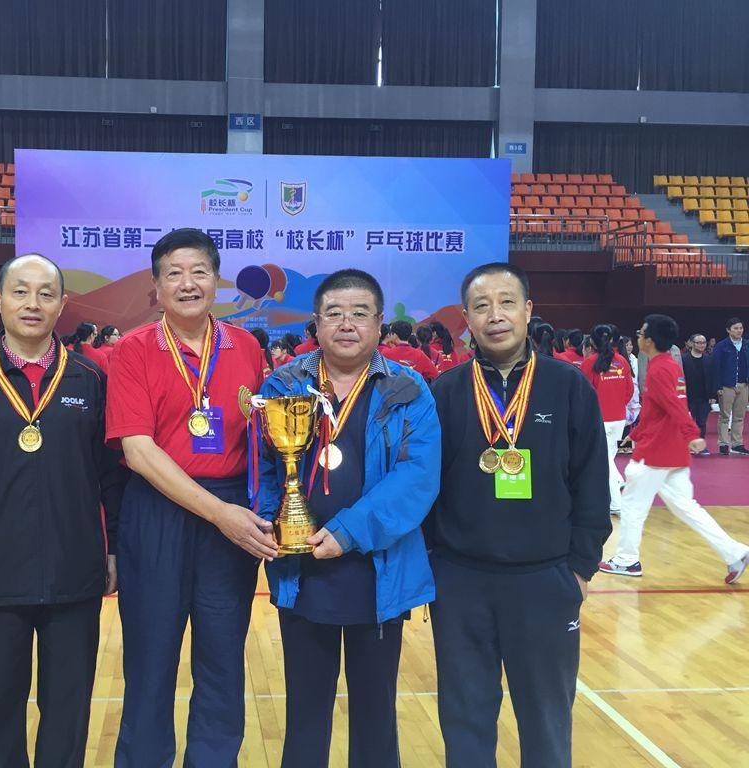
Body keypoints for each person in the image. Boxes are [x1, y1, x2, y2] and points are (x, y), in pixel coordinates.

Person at [0, 253, 127, 768]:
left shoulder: (90, 379)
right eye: (20, 291)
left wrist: (115, 551)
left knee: (68, 713)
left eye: (45, 293)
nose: (32, 303)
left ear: (62, 304)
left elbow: (112, 478)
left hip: (75, 574)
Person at [427, 262, 611, 767]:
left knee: (547, 719)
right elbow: (426, 488)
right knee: (464, 718)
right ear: (466, 318)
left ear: (528, 310)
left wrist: (579, 568)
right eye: (481, 306)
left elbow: (593, 482)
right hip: (461, 581)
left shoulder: (568, 385)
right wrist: (435, 566)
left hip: (544, 578)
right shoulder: (445, 392)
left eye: (507, 302)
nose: (495, 315)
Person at [256, 269, 441, 768]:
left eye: (360, 314)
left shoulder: (408, 389)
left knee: (376, 714)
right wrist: (269, 520)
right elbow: (265, 468)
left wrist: (347, 531)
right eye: (334, 313)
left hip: (379, 572)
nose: (346, 324)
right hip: (302, 571)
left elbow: (417, 478)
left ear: (379, 324)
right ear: (315, 323)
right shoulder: (284, 384)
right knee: (305, 712)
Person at [106, 228, 269, 767]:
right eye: (173, 273)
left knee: (223, 659)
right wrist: (220, 514)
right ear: (155, 287)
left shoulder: (246, 347)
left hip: (230, 511)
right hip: (158, 509)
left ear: (217, 281)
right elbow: (138, 451)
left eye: (199, 271)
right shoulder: (132, 350)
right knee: (151, 660)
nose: (187, 283)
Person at [600, 314, 749, 583]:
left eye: (641, 333)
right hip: (671, 451)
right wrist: (636, 433)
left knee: (632, 503)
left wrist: (692, 434)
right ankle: (735, 552)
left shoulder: (659, 369)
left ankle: (626, 559)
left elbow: (673, 405)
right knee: (686, 507)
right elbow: (659, 409)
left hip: (656, 453)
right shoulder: (669, 365)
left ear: (650, 340)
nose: (638, 337)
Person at [582, 325, 635, 514]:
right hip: (618, 419)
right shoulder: (622, 361)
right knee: (608, 458)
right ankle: (618, 484)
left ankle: (617, 504)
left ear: (592, 341)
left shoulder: (589, 362)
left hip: (598, 419)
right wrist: (617, 404)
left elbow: (584, 393)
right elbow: (629, 390)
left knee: (605, 460)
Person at [710, 317, 747, 456]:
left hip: (743, 384)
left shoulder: (746, 344)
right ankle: (723, 443)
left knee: (739, 416)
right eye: (736, 328)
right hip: (727, 385)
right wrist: (718, 386)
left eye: (741, 328)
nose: (739, 331)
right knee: (724, 416)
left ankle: (737, 444)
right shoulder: (722, 346)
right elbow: (716, 367)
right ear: (728, 330)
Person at [682, 333, 714, 452]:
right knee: (687, 423)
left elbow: (713, 378)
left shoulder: (709, 359)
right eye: (698, 343)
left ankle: (700, 446)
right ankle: (687, 445)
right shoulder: (684, 359)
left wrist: (713, 395)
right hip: (688, 396)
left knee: (701, 422)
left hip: (704, 397)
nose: (702, 345)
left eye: (704, 343)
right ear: (691, 343)